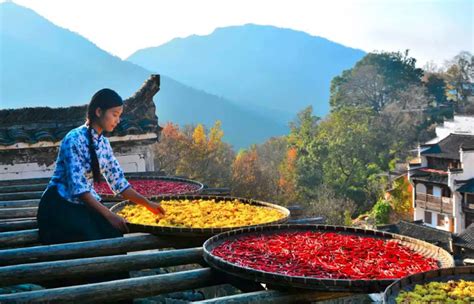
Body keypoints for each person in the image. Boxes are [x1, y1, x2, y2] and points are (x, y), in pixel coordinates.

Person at [37, 88, 165, 245]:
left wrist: (148, 204)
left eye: (119, 115)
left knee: (114, 236)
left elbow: (120, 184)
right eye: (115, 114)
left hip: (83, 204)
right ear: (98, 111)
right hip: (61, 206)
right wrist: (110, 215)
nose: (118, 120)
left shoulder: (104, 144)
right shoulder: (73, 139)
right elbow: (79, 190)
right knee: (94, 241)